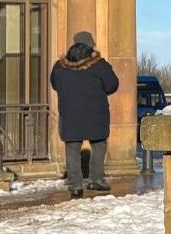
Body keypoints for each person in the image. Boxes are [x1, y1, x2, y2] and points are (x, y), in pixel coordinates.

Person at [50, 31, 119, 198]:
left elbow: (54, 84)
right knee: (99, 145)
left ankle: (75, 185)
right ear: (90, 45)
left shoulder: (60, 66)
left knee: (72, 149)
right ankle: (96, 180)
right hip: (96, 114)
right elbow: (112, 85)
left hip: (71, 114)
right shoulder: (100, 64)